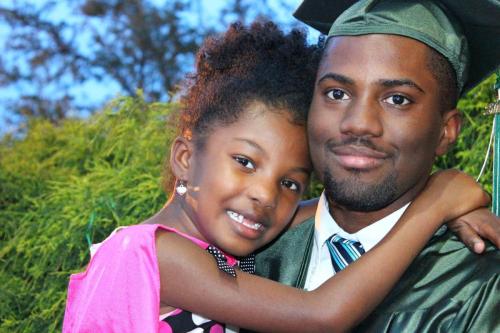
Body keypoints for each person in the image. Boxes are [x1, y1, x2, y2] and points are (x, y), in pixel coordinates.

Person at [62, 21, 493, 333]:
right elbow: (320, 315)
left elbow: (312, 215)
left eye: (290, 183)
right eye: (245, 162)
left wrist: (441, 209)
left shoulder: (224, 241)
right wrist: (435, 200)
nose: (264, 196)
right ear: (184, 157)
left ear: (446, 130)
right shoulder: (149, 253)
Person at [254, 0, 500, 332]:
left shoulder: (481, 285)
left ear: (446, 131)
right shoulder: (242, 253)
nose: (358, 123)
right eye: (337, 93)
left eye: (397, 99)